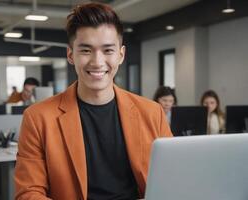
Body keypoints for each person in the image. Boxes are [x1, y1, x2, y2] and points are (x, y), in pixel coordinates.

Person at [14, 3, 172, 200]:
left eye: (108, 50)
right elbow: (29, 193)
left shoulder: (152, 113)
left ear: (121, 55)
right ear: (71, 55)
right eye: (86, 50)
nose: (97, 62)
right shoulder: (38, 118)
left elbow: (171, 181)